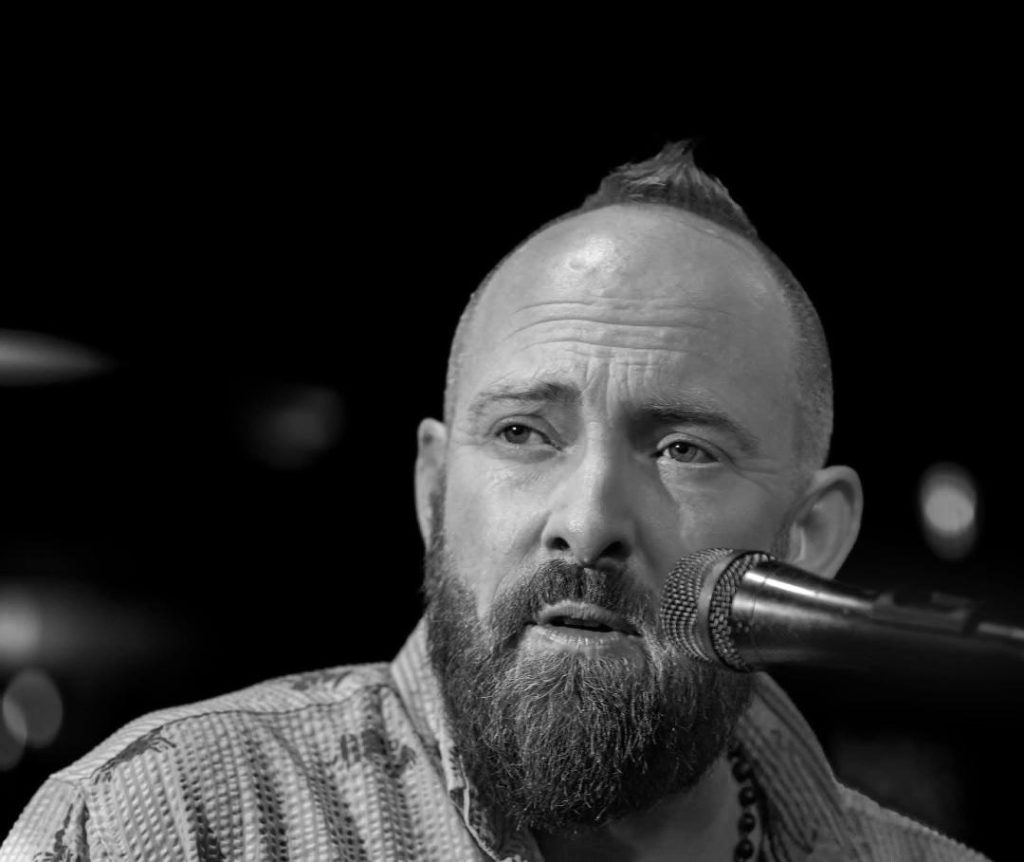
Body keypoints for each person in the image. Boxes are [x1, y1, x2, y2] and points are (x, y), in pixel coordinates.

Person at [2, 142, 989, 861]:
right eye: (524, 434)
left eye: (684, 451)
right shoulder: (169, 824)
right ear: (435, 489)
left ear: (810, 538)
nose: (587, 521)